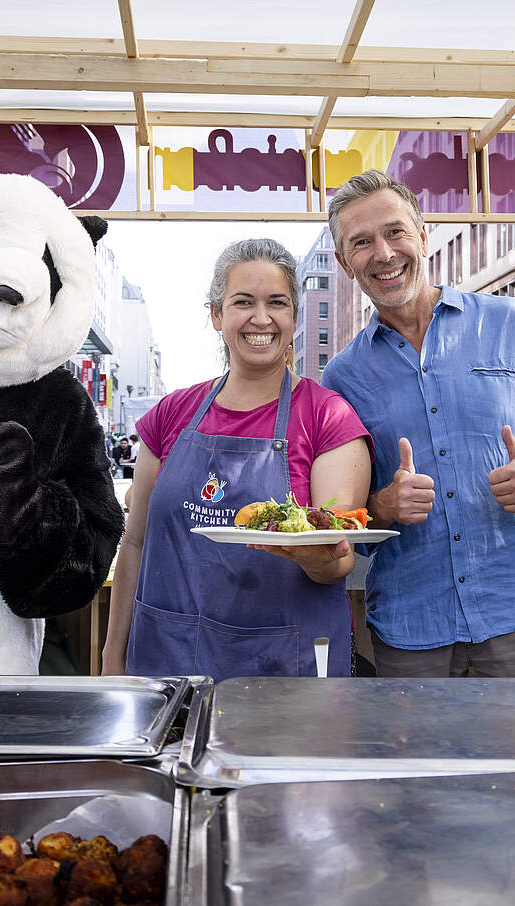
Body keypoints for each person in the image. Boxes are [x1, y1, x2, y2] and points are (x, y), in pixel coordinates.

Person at [321, 170, 515, 678]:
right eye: (361, 242)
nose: (383, 253)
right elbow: (340, 514)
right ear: (344, 263)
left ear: (422, 235)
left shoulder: (511, 323)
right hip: (412, 631)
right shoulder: (342, 376)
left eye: (395, 232)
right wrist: (380, 506)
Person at [102, 238, 372, 681]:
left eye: (277, 303)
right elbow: (135, 542)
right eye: (243, 302)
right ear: (216, 315)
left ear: (294, 317)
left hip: (284, 665)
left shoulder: (328, 416)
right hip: (167, 656)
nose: (261, 318)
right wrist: (112, 656)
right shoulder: (172, 413)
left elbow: (338, 561)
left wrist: (311, 554)